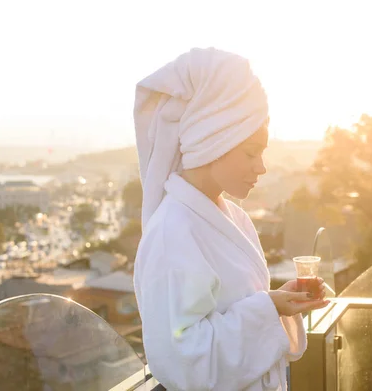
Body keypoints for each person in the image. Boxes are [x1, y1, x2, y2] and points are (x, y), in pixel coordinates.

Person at [133, 47, 329, 391]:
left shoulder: (234, 217)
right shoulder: (172, 232)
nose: (262, 167)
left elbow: (234, 308)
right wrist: (268, 308)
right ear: (212, 142)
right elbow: (181, 362)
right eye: (251, 152)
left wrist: (281, 302)